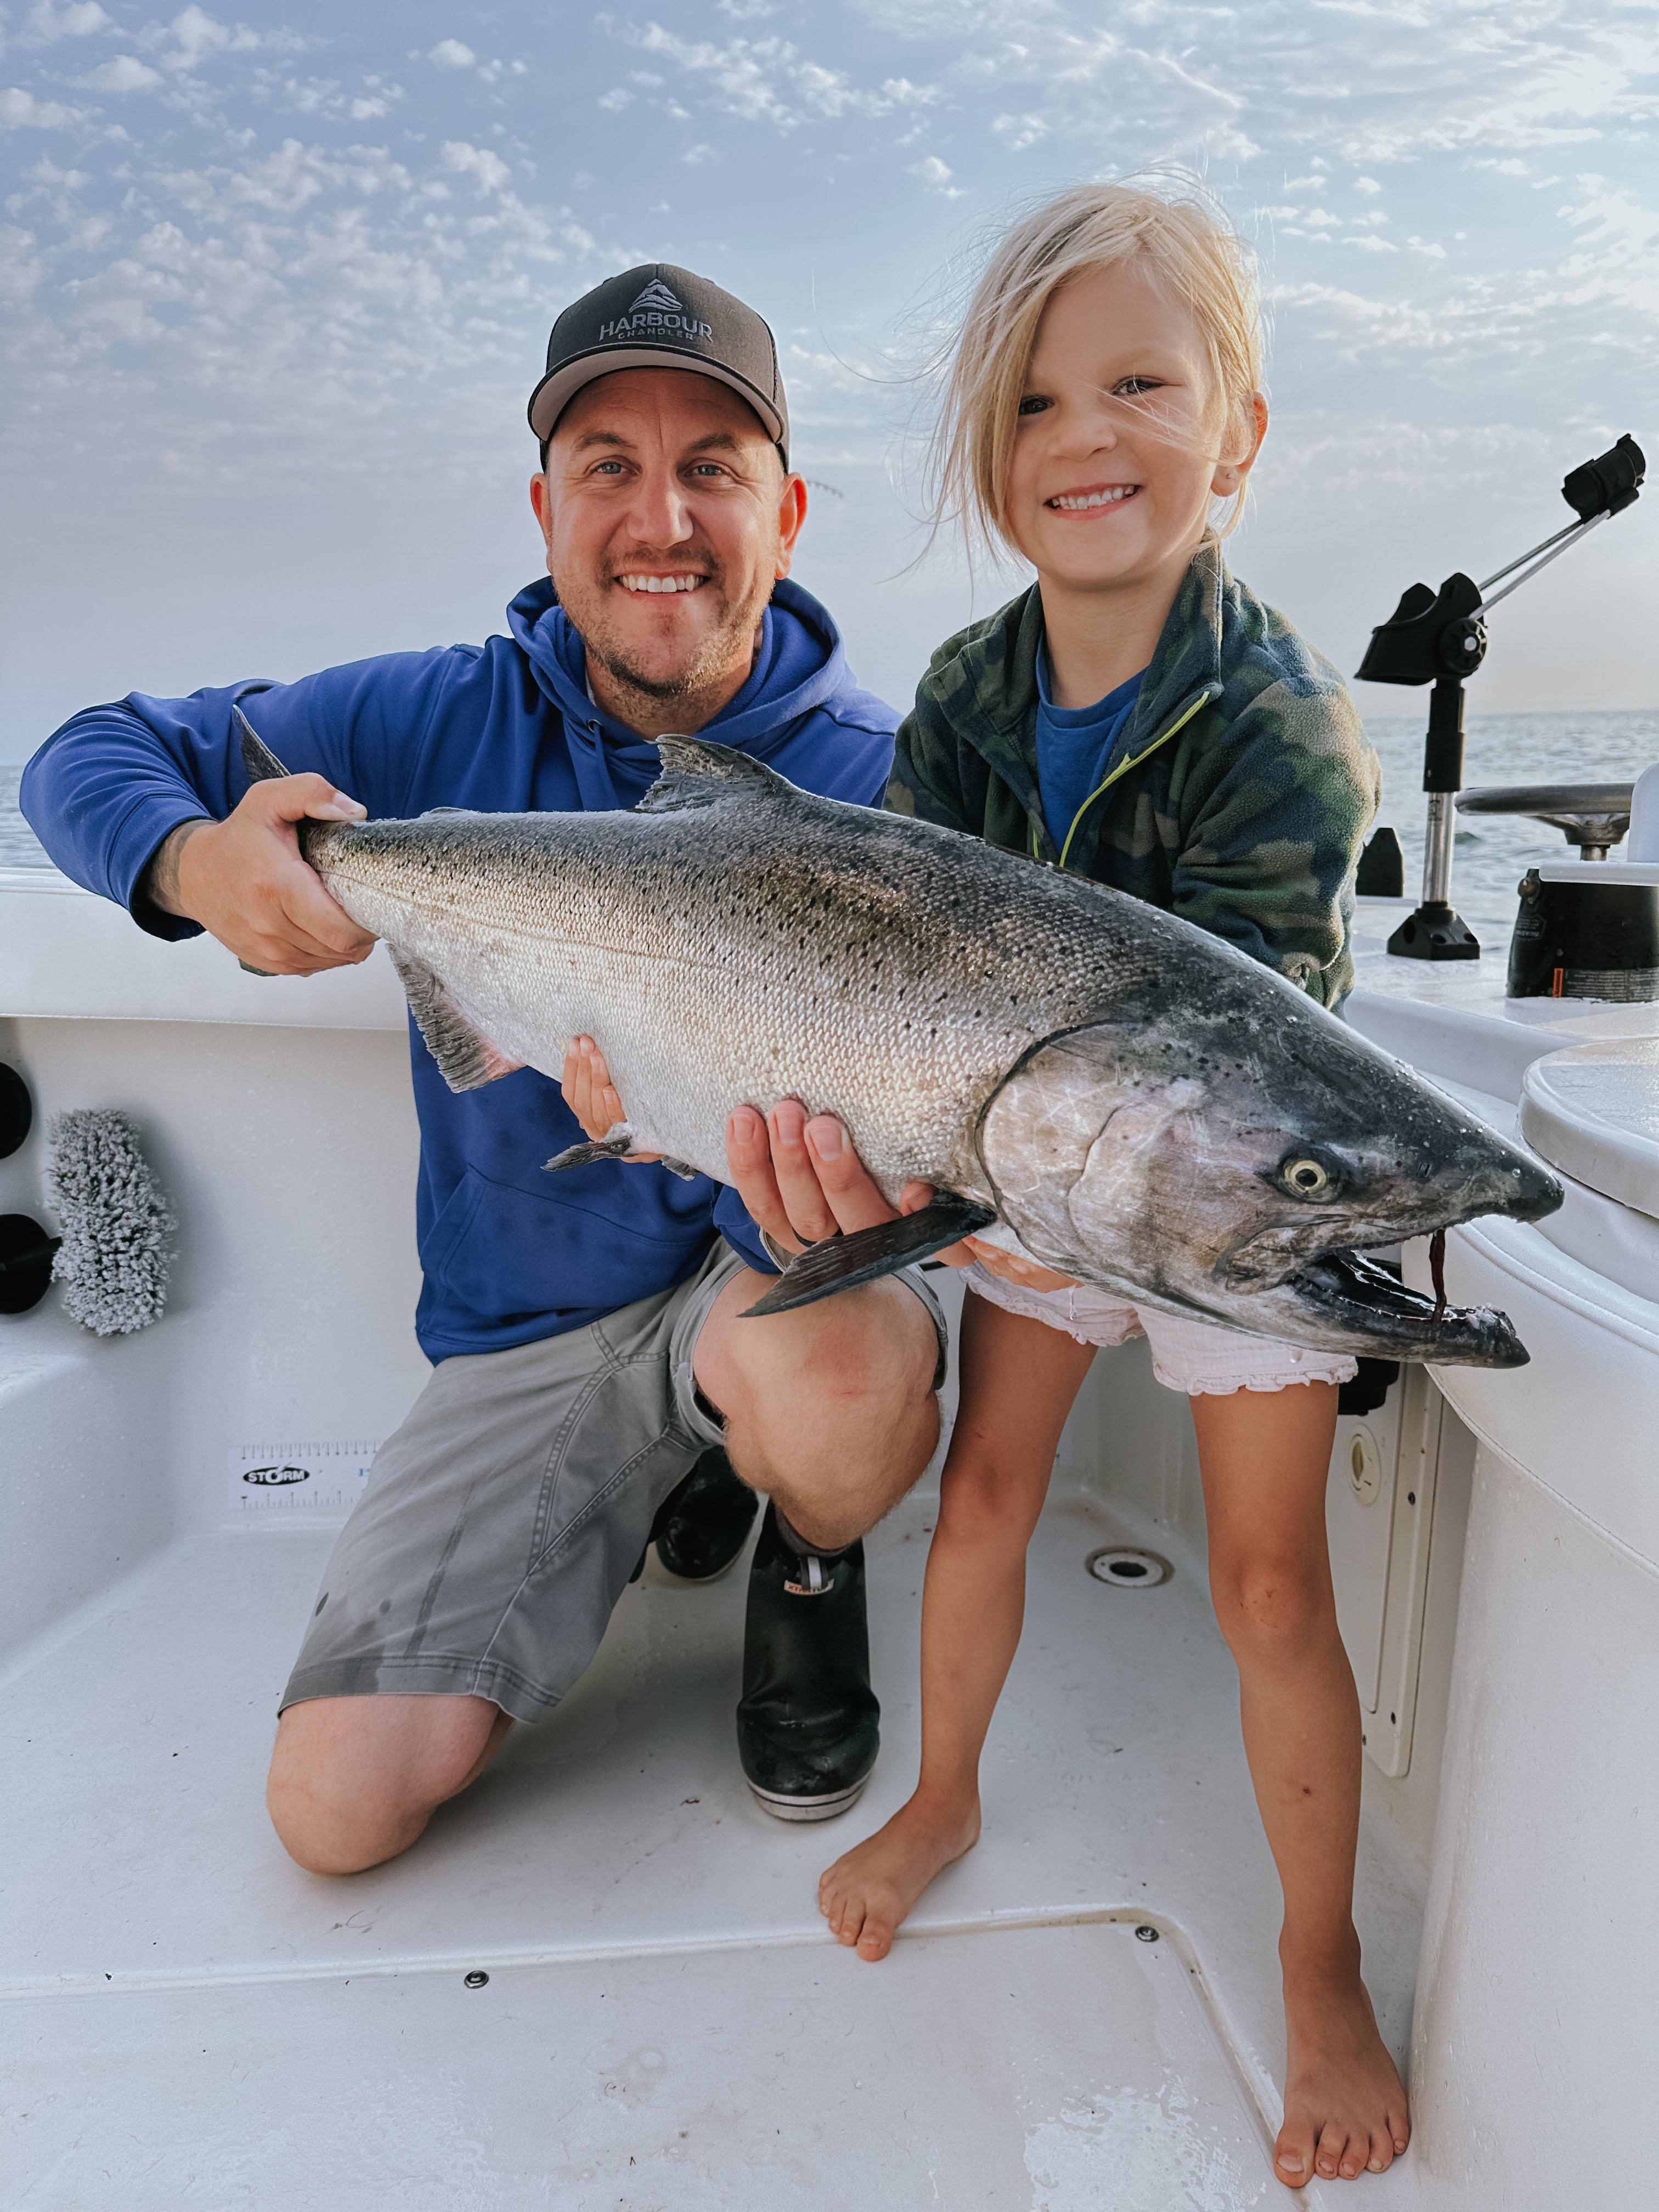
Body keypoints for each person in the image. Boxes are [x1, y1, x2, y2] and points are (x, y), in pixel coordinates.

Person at [20, 263, 949, 1857]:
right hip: (531, 1329)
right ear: (544, 509)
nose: (660, 518)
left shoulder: (896, 785)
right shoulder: (427, 722)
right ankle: (683, 1477)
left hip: (785, 1281)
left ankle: (805, 1539)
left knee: (837, 1383)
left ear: (788, 512)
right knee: (334, 1815)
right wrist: (194, 866)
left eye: (711, 470)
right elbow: (88, 749)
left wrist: (734, 1156)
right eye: (611, 467)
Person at [810, 182, 1408, 2189]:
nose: (1089, 435)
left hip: (1236, 1204)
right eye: (1040, 403)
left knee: (1264, 1588)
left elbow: (1267, 1061)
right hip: (1015, 1180)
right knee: (983, 1491)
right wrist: (952, 1174)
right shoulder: (968, 701)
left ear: (1235, 433)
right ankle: (946, 1789)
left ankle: (1317, 1965)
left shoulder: (1285, 725)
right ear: (996, 463)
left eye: (1141, 384)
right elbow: (899, 954)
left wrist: (1038, 1180)